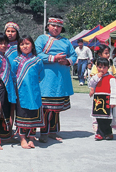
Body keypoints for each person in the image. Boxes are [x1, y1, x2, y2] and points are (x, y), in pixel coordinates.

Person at [35, 15, 76, 143]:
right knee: (46, 109)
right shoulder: (42, 39)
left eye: (59, 26)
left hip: (60, 80)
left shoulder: (66, 41)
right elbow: (36, 54)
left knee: (56, 109)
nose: (56, 28)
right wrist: (54, 58)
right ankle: (44, 133)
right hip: (46, 80)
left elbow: (74, 55)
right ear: (48, 26)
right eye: (53, 25)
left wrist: (67, 61)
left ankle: (53, 131)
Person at [12, 35, 44, 149]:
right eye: (22, 44)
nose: (24, 46)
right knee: (22, 114)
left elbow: (41, 75)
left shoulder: (37, 60)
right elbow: (13, 75)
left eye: (27, 43)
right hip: (21, 92)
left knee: (33, 114)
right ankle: (22, 138)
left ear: (32, 45)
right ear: (19, 47)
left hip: (34, 91)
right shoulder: (16, 61)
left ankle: (31, 138)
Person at [88, 54, 116, 141]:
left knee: (107, 118)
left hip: (107, 99)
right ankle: (99, 133)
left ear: (108, 68)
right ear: (97, 67)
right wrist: (96, 79)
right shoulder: (95, 77)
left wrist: (113, 101)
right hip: (98, 99)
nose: (101, 69)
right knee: (99, 118)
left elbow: (114, 90)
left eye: (104, 67)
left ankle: (108, 133)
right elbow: (91, 84)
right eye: (100, 67)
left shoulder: (111, 78)